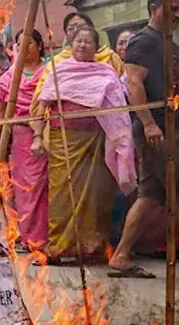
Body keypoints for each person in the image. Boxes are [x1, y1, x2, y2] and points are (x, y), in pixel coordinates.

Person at [109, 0, 179, 278]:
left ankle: (121, 256)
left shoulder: (171, 45)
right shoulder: (143, 41)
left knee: (149, 196)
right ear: (153, 8)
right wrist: (148, 124)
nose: (177, 14)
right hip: (159, 130)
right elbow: (133, 83)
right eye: (171, 8)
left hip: (171, 127)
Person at [31, 26, 135, 264]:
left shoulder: (106, 73)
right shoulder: (59, 70)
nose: (83, 45)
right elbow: (41, 106)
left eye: (88, 41)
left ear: (96, 48)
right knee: (61, 193)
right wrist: (37, 136)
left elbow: (117, 111)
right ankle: (57, 247)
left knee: (95, 194)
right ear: (71, 43)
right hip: (63, 141)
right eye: (78, 40)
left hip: (94, 140)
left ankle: (92, 246)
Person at [0, 29, 48, 252]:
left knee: (45, 188)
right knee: (25, 188)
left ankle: (45, 237)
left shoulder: (49, 72)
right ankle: (29, 238)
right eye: (20, 44)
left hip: (46, 134)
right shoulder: (10, 75)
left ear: (40, 46)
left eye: (30, 43)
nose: (25, 49)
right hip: (20, 136)